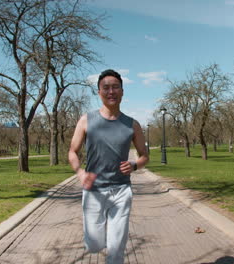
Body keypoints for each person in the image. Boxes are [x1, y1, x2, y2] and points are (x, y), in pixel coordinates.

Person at [68, 69, 149, 263]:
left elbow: (145, 156)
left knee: (116, 249)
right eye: (106, 88)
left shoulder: (132, 125)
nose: (111, 91)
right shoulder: (86, 120)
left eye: (115, 87)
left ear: (122, 92)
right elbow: (72, 152)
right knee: (95, 245)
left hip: (121, 190)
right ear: (99, 92)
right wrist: (80, 173)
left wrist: (134, 165)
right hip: (93, 190)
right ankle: (95, 240)